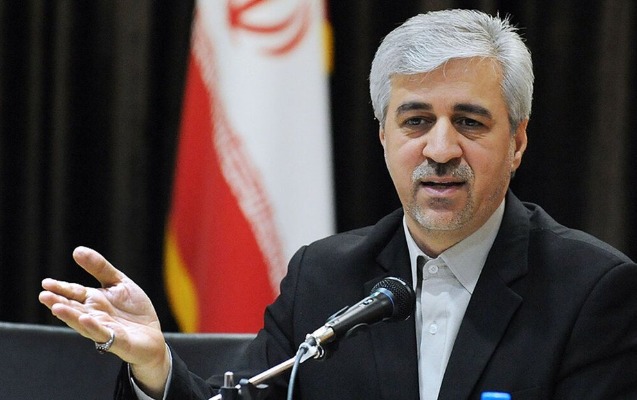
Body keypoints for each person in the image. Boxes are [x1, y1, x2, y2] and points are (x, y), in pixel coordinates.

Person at [39, 9, 637, 400]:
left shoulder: (591, 291)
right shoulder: (324, 277)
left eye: (470, 122)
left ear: (518, 142)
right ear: (383, 137)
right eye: (416, 120)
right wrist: (157, 368)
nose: (440, 149)